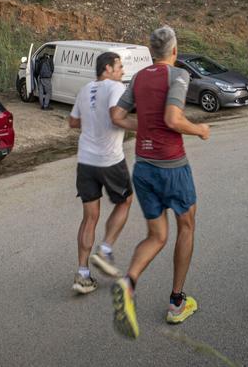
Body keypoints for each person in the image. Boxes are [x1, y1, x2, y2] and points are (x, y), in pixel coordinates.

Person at [108, 26, 210, 338]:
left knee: (157, 235)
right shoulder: (178, 76)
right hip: (172, 167)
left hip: (144, 168)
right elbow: (172, 119)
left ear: (151, 51)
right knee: (186, 226)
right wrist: (200, 129)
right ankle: (177, 303)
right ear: (175, 50)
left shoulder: (138, 78)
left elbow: (116, 115)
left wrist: (142, 127)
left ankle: (128, 282)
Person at [67, 52, 134, 294]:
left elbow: (73, 122)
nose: (123, 71)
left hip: (85, 161)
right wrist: (141, 126)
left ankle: (82, 274)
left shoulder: (85, 89)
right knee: (126, 201)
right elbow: (117, 117)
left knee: (89, 217)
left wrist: (92, 122)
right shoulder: (116, 87)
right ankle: (105, 251)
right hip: (110, 160)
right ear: (108, 68)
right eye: (119, 66)